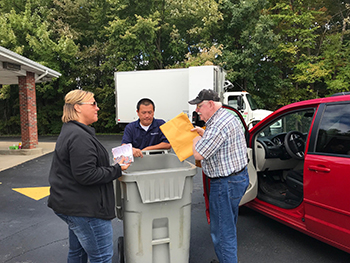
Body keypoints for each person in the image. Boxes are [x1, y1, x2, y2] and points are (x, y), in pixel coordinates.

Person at [48, 89, 130, 263]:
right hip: (86, 210)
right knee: (101, 257)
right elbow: (86, 174)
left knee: (77, 253)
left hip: (73, 206)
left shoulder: (72, 130)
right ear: (77, 107)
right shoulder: (79, 136)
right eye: (93, 103)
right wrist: (118, 169)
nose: (97, 108)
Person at [189, 89, 249, 263]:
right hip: (237, 179)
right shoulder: (228, 116)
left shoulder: (217, 125)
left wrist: (194, 140)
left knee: (223, 233)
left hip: (224, 184)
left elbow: (199, 154)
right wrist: (204, 134)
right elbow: (219, 141)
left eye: (200, 106)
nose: (197, 111)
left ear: (210, 104)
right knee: (228, 225)